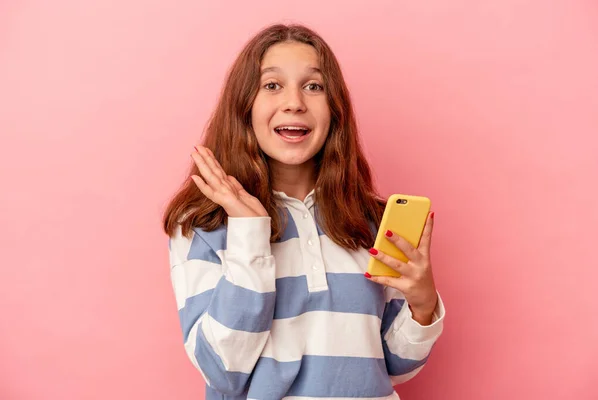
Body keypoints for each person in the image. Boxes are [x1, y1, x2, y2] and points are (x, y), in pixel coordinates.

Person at [162, 23, 445, 400]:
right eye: (272, 85)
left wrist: (423, 305)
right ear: (244, 106)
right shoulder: (202, 225)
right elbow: (222, 370)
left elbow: (393, 366)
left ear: (334, 110)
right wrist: (249, 233)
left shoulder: (370, 222)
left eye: (314, 86)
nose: (295, 102)